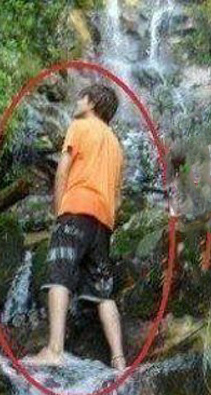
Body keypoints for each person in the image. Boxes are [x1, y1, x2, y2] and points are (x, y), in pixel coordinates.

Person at [27, 84, 126, 371]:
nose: (77, 101)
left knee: (59, 275)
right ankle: (119, 360)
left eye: (81, 97)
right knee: (103, 291)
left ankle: (54, 350)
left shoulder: (80, 126)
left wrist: (60, 212)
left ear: (92, 103)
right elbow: (118, 196)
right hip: (103, 221)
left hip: (76, 209)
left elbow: (62, 172)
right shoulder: (116, 145)